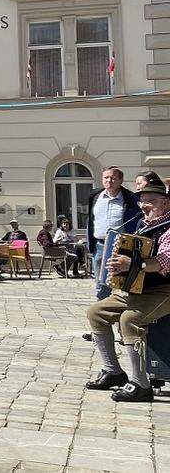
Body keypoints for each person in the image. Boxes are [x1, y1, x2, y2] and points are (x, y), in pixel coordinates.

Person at [83, 179, 170, 402]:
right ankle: (113, 371)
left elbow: (164, 262)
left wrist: (133, 265)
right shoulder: (143, 223)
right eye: (142, 200)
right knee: (96, 312)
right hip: (139, 288)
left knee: (129, 320)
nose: (144, 205)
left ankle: (141, 384)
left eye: (151, 201)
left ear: (166, 203)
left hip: (164, 289)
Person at [87, 167, 141, 297]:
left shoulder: (130, 198)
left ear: (121, 180)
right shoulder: (95, 196)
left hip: (122, 246)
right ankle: (102, 311)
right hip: (100, 245)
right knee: (101, 284)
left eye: (113, 178)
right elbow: (90, 220)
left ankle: (125, 310)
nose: (109, 180)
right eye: (106, 177)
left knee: (126, 282)